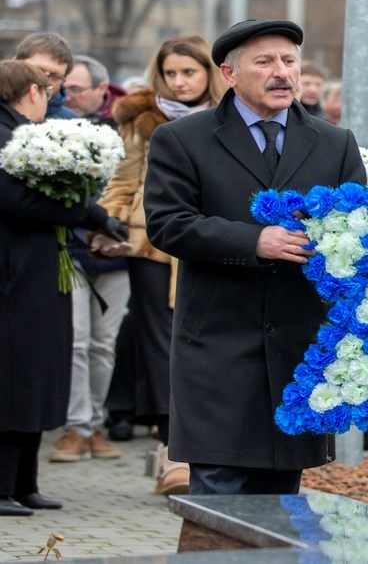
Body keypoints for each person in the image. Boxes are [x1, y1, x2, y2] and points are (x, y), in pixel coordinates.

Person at [143, 19, 366, 496]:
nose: (281, 72)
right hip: (218, 344)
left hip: (297, 346)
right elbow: (168, 223)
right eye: (264, 62)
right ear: (229, 74)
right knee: (217, 497)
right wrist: (253, 241)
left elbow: (359, 231)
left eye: (289, 61)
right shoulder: (183, 139)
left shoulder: (335, 142)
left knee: (280, 502)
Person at [99, 35, 227, 494]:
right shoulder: (140, 117)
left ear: (207, 72)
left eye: (188, 72)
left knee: (200, 342)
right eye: (170, 73)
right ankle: (171, 449)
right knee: (157, 344)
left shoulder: (228, 118)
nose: (179, 82)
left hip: (207, 244)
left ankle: (195, 450)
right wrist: (107, 223)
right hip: (150, 244)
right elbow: (123, 180)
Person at [0, 60, 124, 516]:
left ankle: (23, 483)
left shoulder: (22, 131)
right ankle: (2, 486)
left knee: (35, 375)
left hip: (37, 269)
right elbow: (18, 200)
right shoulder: (5, 133)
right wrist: (90, 214)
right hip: (13, 276)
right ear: (31, 91)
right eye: (49, 92)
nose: (54, 102)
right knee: (14, 378)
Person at [49, 55, 131, 463]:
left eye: (78, 88)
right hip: (74, 251)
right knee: (76, 341)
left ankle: (95, 423)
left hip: (118, 252)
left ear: (103, 90)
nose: (70, 95)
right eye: (67, 88)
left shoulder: (128, 131)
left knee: (104, 343)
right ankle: (75, 428)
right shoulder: (53, 129)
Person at [14, 32, 76, 119]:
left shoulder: (70, 124)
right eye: (37, 70)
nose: (43, 80)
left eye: (54, 76)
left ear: (63, 81)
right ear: (15, 64)